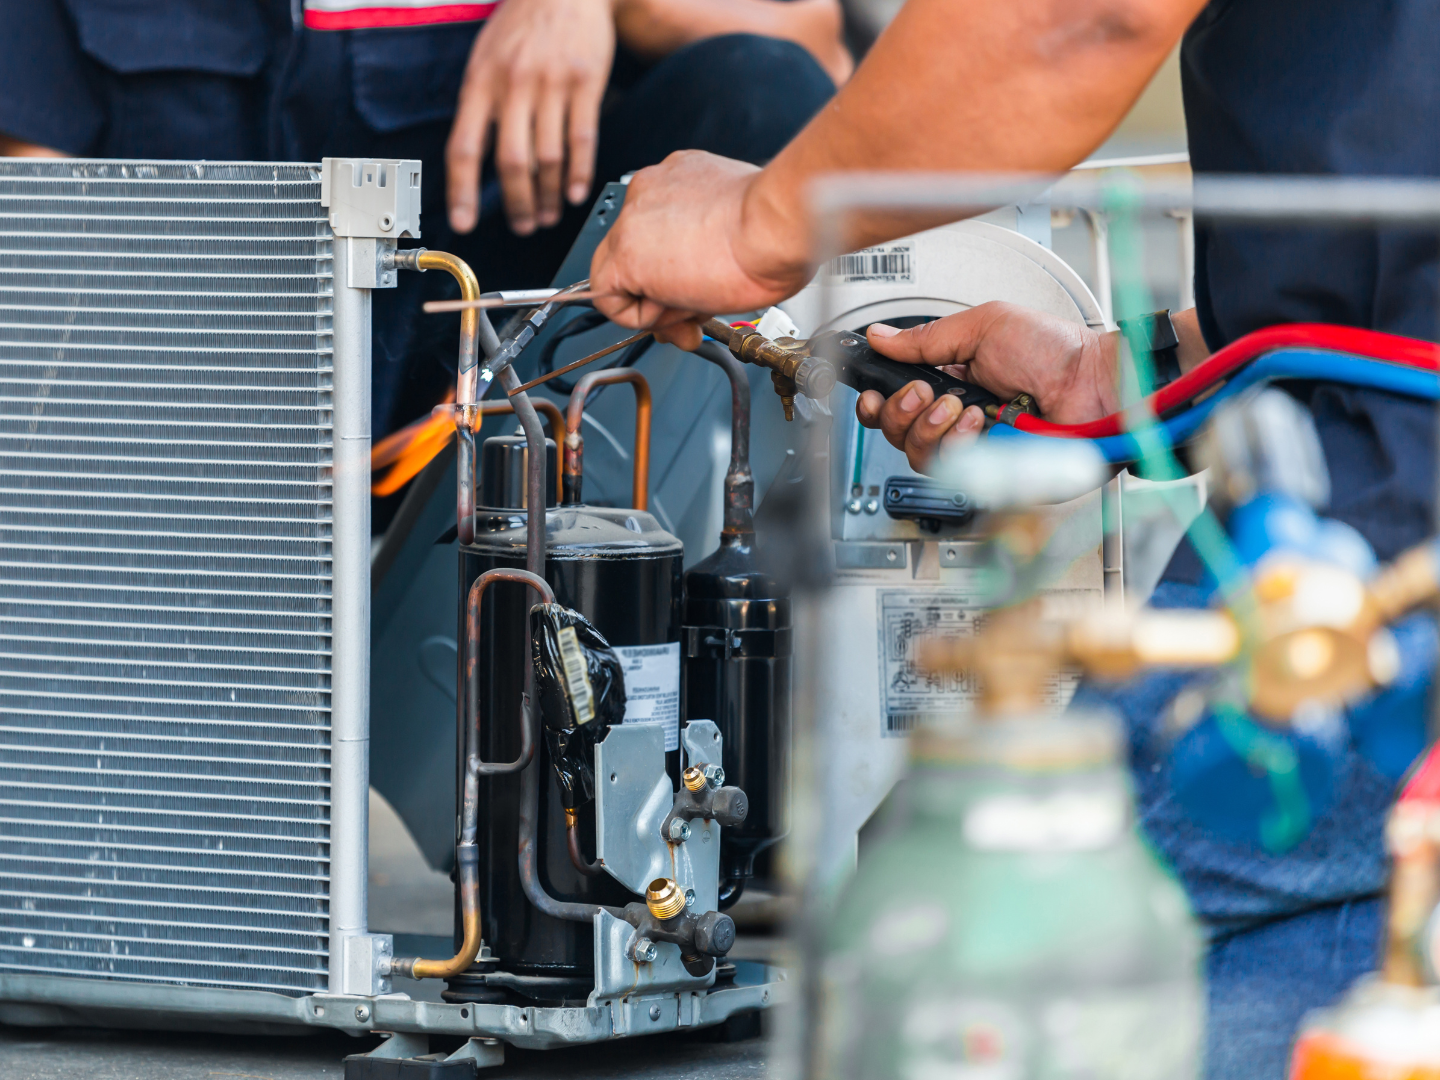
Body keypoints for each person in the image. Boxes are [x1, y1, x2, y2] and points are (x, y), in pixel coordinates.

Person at [586, 0, 1440, 1074]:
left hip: (1394, 528)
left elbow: (1083, 14)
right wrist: (1127, 369)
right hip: (1386, 466)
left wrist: (752, 225)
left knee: (967, 933)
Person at [0, 0, 847, 437]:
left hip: (501, 443)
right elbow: (30, 234)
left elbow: (811, 48)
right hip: (188, 456)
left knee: (757, 88)